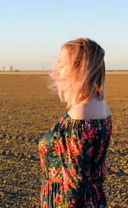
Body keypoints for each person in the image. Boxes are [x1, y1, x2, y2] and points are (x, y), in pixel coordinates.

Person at [39, 38, 112, 208]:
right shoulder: (102, 106)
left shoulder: (79, 117)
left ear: (80, 69)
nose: (54, 70)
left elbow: (74, 188)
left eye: (62, 65)